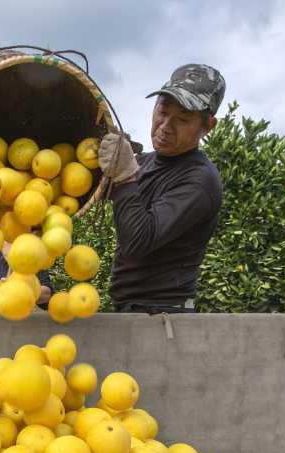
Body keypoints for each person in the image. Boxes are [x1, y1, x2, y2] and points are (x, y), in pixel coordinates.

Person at [97, 64, 226, 313]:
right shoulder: (143, 163)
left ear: (208, 126)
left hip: (165, 318)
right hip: (130, 311)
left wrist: (125, 176)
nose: (166, 126)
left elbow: (136, 242)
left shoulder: (199, 181)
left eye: (182, 120)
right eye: (162, 112)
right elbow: (81, 192)